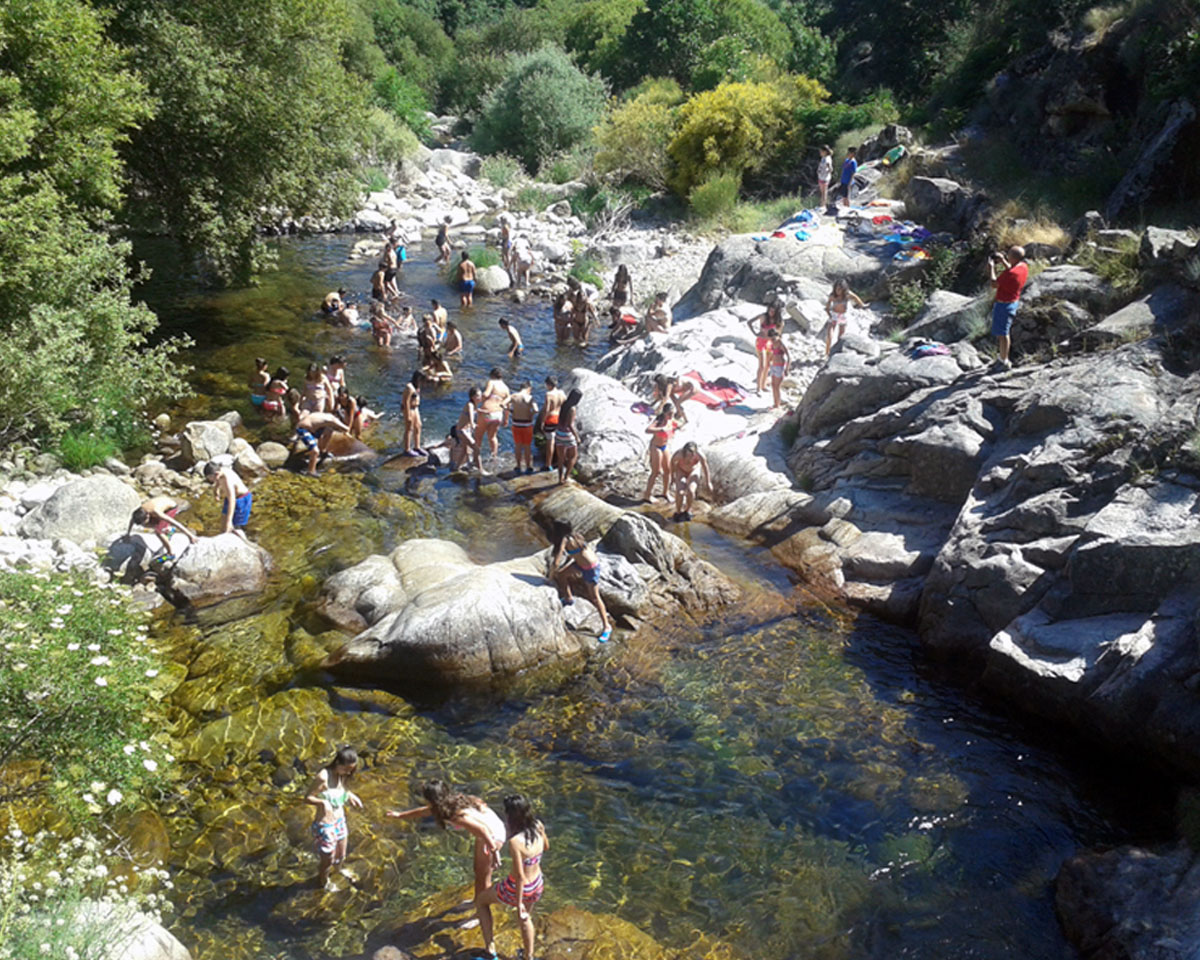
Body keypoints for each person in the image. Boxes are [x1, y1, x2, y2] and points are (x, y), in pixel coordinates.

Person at [387, 780, 508, 903]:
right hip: (489, 830)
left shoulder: (454, 815)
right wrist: (399, 815)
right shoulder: (451, 802)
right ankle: (477, 902)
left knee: (484, 876)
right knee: (478, 871)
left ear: (431, 799)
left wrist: (494, 851)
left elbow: (483, 829)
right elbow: (423, 812)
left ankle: (481, 911)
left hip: (492, 835)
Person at [473, 794, 549, 960]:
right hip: (537, 883)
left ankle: (490, 950)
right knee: (525, 919)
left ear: (511, 816)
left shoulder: (516, 842)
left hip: (517, 888)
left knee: (481, 901)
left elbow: (520, 876)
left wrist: (519, 902)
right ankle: (528, 956)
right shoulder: (538, 826)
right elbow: (546, 847)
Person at [304, 745, 363, 890]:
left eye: (351, 770)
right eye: (346, 769)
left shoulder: (342, 774)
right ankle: (324, 882)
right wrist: (322, 802)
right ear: (338, 763)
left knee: (341, 854)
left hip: (339, 820)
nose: (349, 773)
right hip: (325, 825)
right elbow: (307, 798)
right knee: (327, 860)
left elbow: (340, 789)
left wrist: (349, 795)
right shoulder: (322, 777)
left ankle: (339, 871)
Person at [547, 518, 610, 640]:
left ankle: (607, 627)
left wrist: (550, 577)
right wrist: (565, 566)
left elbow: (556, 562)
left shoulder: (565, 540)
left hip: (591, 568)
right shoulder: (576, 535)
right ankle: (568, 598)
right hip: (582, 564)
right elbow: (577, 555)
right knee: (562, 575)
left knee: (595, 598)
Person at [289, 390, 350, 475]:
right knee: (315, 451)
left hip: (312, 427)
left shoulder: (327, 416)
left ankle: (323, 451)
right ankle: (311, 471)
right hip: (302, 429)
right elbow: (346, 428)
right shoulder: (332, 419)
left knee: (329, 430)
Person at [989, 245, 1028, 370]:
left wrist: (991, 268)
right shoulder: (1023, 267)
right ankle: (1002, 357)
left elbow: (994, 284)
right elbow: (1012, 268)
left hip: (1004, 305)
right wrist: (1003, 262)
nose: (1006, 255)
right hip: (1012, 302)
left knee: (1003, 334)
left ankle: (1004, 361)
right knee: (1003, 332)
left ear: (1012, 257)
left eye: (1008, 255)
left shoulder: (1010, 274)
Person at [127, 496, 198, 560]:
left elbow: (176, 523)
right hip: (163, 503)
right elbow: (132, 521)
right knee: (154, 526)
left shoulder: (156, 512)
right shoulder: (139, 513)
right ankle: (169, 530)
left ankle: (170, 554)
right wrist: (128, 534)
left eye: (145, 521)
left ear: (148, 515)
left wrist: (190, 536)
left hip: (171, 508)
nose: (143, 524)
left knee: (158, 532)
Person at [204, 461, 253, 540]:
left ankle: (244, 543)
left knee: (235, 526)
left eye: (210, 478)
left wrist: (229, 521)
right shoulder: (221, 471)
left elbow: (232, 501)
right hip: (229, 498)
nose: (210, 481)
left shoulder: (227, 480)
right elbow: (218, 480)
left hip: (241, 500)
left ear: (216, 474)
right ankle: (223, 538)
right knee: (223, 524)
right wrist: (216, 490)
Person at [474, 368, 510, 472]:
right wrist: (506, 419)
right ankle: (494, 458)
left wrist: (478, 400)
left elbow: (485, 394)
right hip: (498, 415)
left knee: (478, 436)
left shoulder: (492, 382)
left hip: (487, 412)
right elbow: (508, 405)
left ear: (492, 376)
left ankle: (476, 458)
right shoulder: (506, 388)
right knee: (492, 437)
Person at [747, 301, 784, 394]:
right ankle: (758, 388)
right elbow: (749, 322)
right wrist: (755, 333)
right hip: (761, 342)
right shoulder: (763, 316)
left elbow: (779, 335)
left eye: (773, 311)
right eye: (770, 310)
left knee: (767, 366)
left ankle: (763, 385)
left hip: (770, 343)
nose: (771, 312)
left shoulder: (779, 322)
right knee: (762, 365)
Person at [643, 407, 678, 503]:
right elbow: (647, 430)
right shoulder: (659, 420)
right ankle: (647, 494)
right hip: (656, 446)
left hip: (664, 446)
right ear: (665, 413)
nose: (671, 416)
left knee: (668, 470)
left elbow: (678, 425)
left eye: (673, 414)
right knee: (656, 471)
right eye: (669, 414)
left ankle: (666, 492)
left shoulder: (672, 420)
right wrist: (660, 429)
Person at [670, 441, 711, 522]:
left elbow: (705, 467)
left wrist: (708, 482)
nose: (691, 456)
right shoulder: (679, 454)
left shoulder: (700, 455)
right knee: (680, 492)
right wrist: (672, 477)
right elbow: (672, 463)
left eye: (693, 454)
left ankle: (687, 510)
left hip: (694, 470)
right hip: (681, 470)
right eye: (689, 454)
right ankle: (678, 512)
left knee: (691, 491)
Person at [824, 279, 866, 357]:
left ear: (843, 289)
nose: (838, 291)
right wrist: (829, 314)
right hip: (834, 315)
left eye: (840, 289)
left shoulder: (847, 294)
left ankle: (837, 353)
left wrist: (862, 305)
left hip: (843, 316)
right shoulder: (832, 296)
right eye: (837, 289)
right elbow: (827, 306)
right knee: (829, 335)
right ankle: (827, 353)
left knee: (840, 337)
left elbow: (856, 298)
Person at [507, 380, 538, 475]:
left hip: (516, 424)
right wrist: (531, 415)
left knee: (518, 445)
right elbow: (536, 410)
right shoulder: (530, 397)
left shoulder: (513, 396)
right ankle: (528, 467)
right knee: (527, 446)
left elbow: (502, 404)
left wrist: (511, 411)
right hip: (527, 424)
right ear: (529, 389)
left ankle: (518, 466)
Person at [553, 388, 582, 485]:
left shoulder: (564, 404)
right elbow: (570, 425)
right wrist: (577, 437)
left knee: (560, 458)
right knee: (573, 456)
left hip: (559, 433)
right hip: (567, 435)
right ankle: (566, 477)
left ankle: (560, 478)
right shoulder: (572, 409)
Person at [539, 376, 566, 471]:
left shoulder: (549, 394)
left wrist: (542, 422)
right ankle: (560, 462)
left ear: (549, 384)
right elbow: (565, 405)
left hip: (550, 419)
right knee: (559, 442)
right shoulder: (562, 393)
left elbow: (546, 410)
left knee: (550, 442)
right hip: (559, 418)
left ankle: (548, 464)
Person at [402, 371, 424, 457]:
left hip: (416, 408)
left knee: (418, 426)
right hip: (409, 408)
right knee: (409, 428)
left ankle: (417, 447)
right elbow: (406, 401)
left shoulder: (417, 387)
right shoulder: (409, 387)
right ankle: (407, 449)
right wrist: (408, 415)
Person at [767, 329, 790, 409]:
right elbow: (772, 354)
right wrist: (768, 362)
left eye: (773, 337)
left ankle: (777, 404)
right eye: (771, 338)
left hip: (780, 366)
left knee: (777, 386)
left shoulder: (781, 344)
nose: (772, 339)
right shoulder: (773, 344)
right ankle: (775, 403)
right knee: (773, 386)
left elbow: (788, 356)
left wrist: (787, 368)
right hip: (773, 365)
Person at [817, 144, 833, 209]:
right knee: (822, 192)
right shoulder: (823, 158)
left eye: (821, 151)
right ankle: (822, 204)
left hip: (825, 178)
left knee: (824, 192)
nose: (820, 153)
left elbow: (830, 169)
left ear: (825, 152)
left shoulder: (827, 159)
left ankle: (823, 205)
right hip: (821, 177)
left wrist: (828, 170)